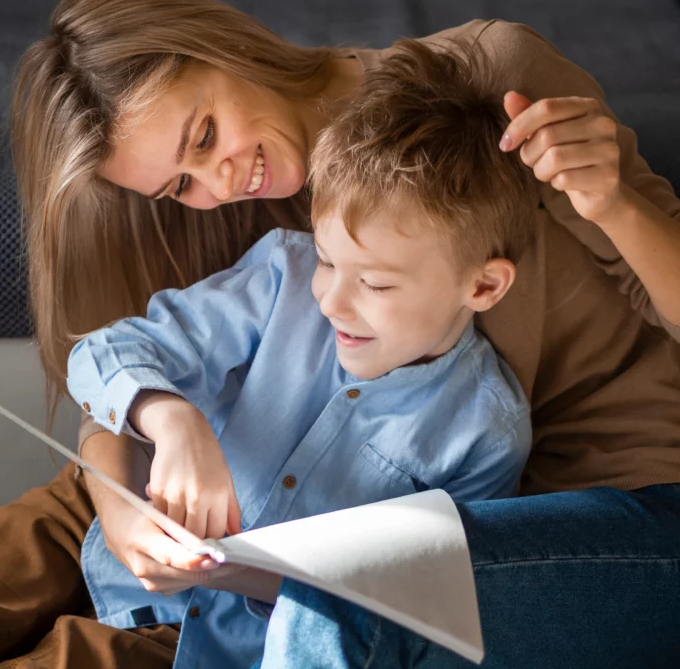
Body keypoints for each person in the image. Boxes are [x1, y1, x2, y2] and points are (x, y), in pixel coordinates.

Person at [0, 0, 680, 669]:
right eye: (180, 183)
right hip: (342, 512)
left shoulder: (480, 87)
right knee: (72, 507)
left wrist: (609, 201)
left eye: (203, 136)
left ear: (219, 46)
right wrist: (117, 493)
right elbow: (147, 355)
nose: (221, 181)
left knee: (332, 595)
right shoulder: (245, 214)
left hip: (618, 512)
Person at [67, 41, 532, 669]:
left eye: (375, 283)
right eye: (330, 260)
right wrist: (171, 417)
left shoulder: (485, 432)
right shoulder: (284, 275)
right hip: (121, 590)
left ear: (481, 287)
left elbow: (422, 603)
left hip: (247, 649)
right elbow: (100, 354)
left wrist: (229, 569)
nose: (333, 301)